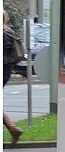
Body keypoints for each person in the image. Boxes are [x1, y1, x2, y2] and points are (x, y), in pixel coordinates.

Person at [2, 10, 24, 144]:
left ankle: (13, 128)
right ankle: (12, 129)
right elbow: (16, 53)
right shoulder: (10, 32)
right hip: (6, 69)